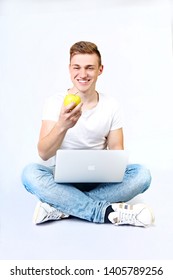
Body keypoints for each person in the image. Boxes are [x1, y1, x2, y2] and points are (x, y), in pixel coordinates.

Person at [22, 41, 154, 227]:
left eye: (90, 68)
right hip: (62, 181)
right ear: (69, 69)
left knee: (142, 174)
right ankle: (106, 212)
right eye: (77, 67)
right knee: (29, 174)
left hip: (98, 180)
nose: (83, 74)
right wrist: (62, 125)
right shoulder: (54, 102)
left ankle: (61, 207)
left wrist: (108, 169)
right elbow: (43, 153)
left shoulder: (111, 105)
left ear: (100, 70)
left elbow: (117, 152)